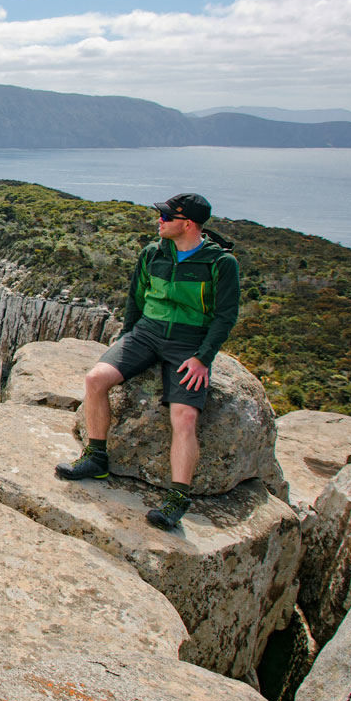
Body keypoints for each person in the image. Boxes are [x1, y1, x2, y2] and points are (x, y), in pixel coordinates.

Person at [54, 193, 240, 530]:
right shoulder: (152, 254)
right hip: (146, 332)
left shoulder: (220, 264)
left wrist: (202, 358)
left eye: (167, 216)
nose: (160, 220)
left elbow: (225, 316)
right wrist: (127, 337)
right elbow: (135, 298)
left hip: (190, 341)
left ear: (188, 224)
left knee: (183, 417)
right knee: (96, 379)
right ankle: (96, 457)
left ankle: (177, 497)